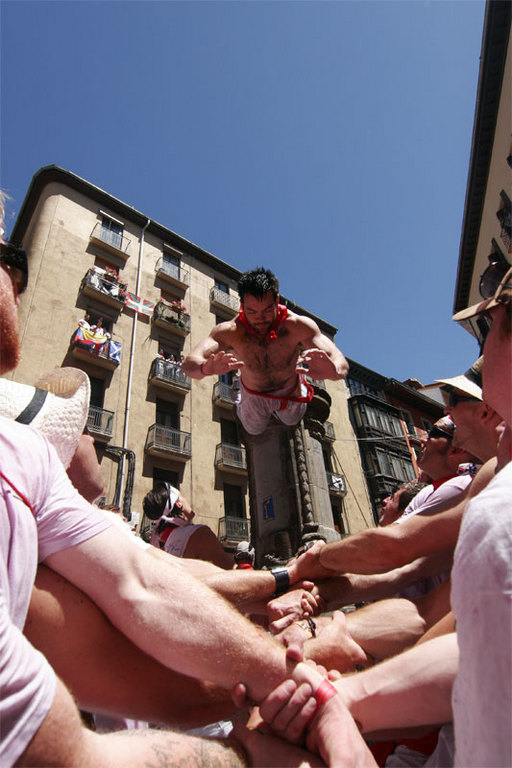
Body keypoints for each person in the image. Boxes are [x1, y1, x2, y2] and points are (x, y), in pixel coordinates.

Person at [0, 209, 324, 765]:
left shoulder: (23, 459)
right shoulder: (31, 481)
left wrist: (284, 672)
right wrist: (277, 702)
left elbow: (145, 584)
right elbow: (187, 583)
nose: (18, 302)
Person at [254, 269, 512, 768]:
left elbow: (399, 549)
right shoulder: (491, 479)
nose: (447, 415)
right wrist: (340, 672)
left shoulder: (474, 483)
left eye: (493, 326)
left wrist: (310, 571)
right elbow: (454, 622)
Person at [182, 267, 348, 434]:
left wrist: (333, 371)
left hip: (289, 390)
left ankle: (297, 387)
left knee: (291, 419)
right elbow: (189, 364)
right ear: (242, 305)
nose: (259, 318)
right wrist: (206, 368)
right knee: (254, 429)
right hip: (253, 394)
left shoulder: (297, 325)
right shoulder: (230, 332)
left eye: (267, 310)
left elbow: (340, 362)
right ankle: (240, 392)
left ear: (276, 302)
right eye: (252, 311)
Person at [144, 482, 235, 569]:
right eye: (182, 496)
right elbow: (230, 571)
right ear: (178, 504)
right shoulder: (199, 535)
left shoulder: (156, 546)